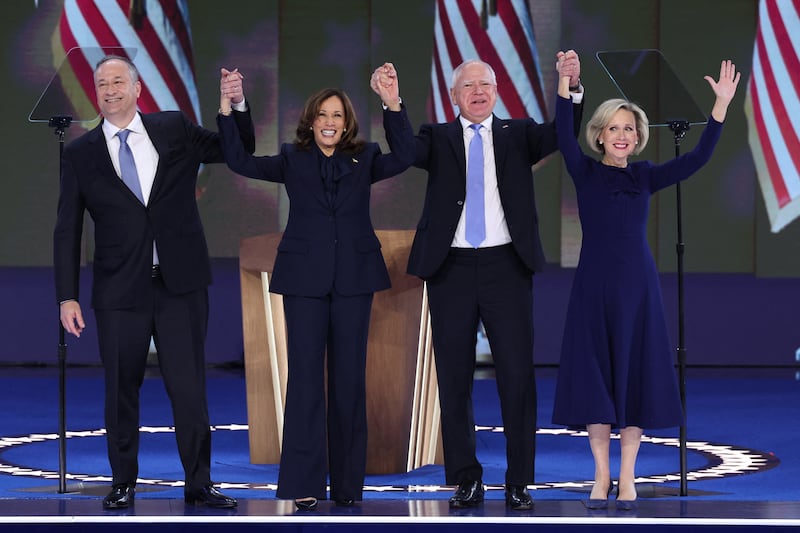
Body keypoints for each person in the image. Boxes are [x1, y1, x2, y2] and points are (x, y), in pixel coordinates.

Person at [54, 55, 256, 510]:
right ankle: (122, 481)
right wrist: (67, 295)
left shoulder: (172, 129)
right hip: (119, 290)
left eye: (118, 81)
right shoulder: (80, 153)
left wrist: (234, 105)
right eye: (102, 83)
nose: (110, 90)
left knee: (188, 389)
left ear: (138, 88)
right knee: (121, 389)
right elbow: (67, 228)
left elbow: (234, 150)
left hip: (178, 284)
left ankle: (199, 483)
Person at [217, 63, 414, 511]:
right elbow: (239, 161)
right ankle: (305, 483)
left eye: (338, 116)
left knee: (349, 381)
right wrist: (232, 108)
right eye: (323, 115)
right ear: (311, 121)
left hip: (353, 281)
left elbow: (406, 156)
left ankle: (347, 485)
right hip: (304, 282)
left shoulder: (365, 159)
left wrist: (392, 101)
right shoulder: (292, 158)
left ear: (347, 125)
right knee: (305, 381)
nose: (330, 122)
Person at [551, 59, 740, 510]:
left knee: (632, 377)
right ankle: (601, 477)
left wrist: (720, 107)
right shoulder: (586, 172)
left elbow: (697, 158)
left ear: (638, 138)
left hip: (638, 290)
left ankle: (628, 477)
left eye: (629, 129)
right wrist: (563, 84)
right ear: (599, 135)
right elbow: (562, 134)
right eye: (614, 128)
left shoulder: (646, 176)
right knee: (598, 381)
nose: (622, 136)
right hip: (593, 289)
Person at [406, 52, 584, 510]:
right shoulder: (437, 136)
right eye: (468, 86)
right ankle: (466, 477)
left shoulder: (518, 133)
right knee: (455, 377)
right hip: (452, 268)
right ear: (454, 97)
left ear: (497, 91)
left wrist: (568, 87)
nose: (478, 92)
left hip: (507, 266)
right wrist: (391, 104)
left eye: (485, 84)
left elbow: (562, 135)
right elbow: (406, 152)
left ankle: (519, 480)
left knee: (517, 377)